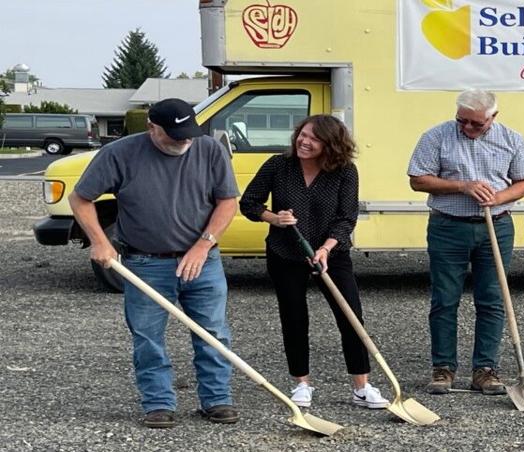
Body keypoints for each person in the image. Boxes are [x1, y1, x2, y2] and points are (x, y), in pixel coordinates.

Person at [69, 98, 240, 428]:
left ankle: (217, 399)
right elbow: (81, 198)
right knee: (147, 337)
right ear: (152, 127)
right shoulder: (120, 153)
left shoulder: (209, 150)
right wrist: (100, 241)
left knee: (213, 332)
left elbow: (227, 202)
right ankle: (158, 403)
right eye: (174, 135)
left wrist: (203, 246)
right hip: (145, 263)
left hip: (202, 261)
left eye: (188, 134)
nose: (184, 141)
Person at [240, 115, 388, 410]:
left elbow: (347, 218)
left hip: (330, 255)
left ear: (331, 145)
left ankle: (361, 387)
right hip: (285, 252)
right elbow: (249, 203)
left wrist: (326, 248)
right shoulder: (278, 165)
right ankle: (301, 384)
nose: (304, 142)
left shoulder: (345, 171)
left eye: (314, 139)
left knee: (351, 317)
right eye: (302, 135)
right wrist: (275, 219)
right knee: (294, 318)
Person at [407, 89, 524, 395]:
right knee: (444, 299)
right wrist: (462, 186)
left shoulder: (512, 139)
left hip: (497, 226)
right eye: (462, 121)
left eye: (476, 124)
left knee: (492, 298)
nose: (467, 128)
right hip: (448, 226)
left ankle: (485, 369)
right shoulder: (436, 136)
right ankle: (443, 369)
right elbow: (417, 179)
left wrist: (498, 197)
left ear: (493, 117)